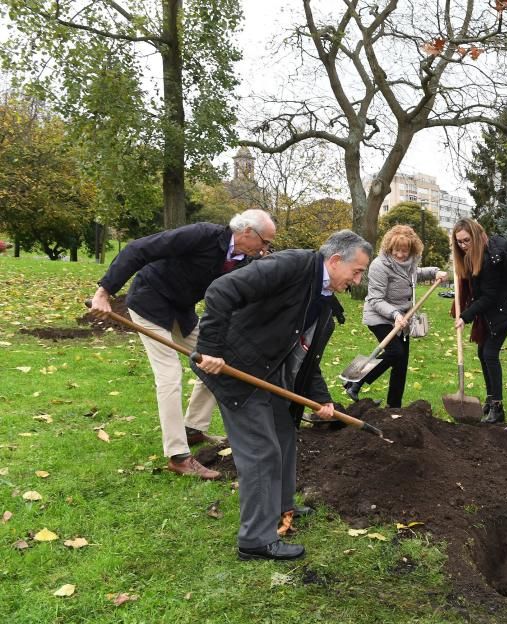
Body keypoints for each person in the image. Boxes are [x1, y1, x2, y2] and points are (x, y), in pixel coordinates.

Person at [193, 230, 372, 561]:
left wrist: (322, 399)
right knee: (261, 449)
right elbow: (221, 289)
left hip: (266, 367)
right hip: (232, 364)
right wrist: (210, 349)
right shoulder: (291, 266)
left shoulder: (322, 301)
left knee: (285, 429)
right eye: (357, 271)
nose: (357, 280)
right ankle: (256, 540)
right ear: (335, 261)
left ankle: (282, 505)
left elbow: (306, 356)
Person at [89, 210, 276, 481]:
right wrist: (104, 291)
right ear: (247, 232)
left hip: (181, 312)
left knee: (220, 362)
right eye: (265, 241)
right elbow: (138, 248)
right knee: (170, 374)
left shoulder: (243, 261)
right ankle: (178, 456)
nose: (265, 249)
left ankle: (193, 428)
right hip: (149, 303)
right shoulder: (203, 235)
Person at [344, 225, 446, 407]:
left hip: (403, 319)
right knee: (395, 352)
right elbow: (375, 299)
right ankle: (355, 382)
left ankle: (394, 406)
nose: (400, 255)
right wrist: (395, 314)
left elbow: (416, 274)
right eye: (396, 250)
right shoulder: (379, 266)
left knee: (401, 363)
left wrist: (434, 272)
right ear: (389, 248)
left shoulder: (411, 263)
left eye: (404, 251)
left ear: (411, 249)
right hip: (380, 317)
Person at [452, 218, 507, 424]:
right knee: (482, 352)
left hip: (504, 310)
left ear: (475, 237)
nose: (463, 245)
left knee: (490, 353)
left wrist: (465, 316)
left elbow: (489, 296)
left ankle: (498, 408)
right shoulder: (472, 257)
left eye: (466, 240)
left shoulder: (490, 259)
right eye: (459, 242)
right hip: (491, 311)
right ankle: (491, 398)